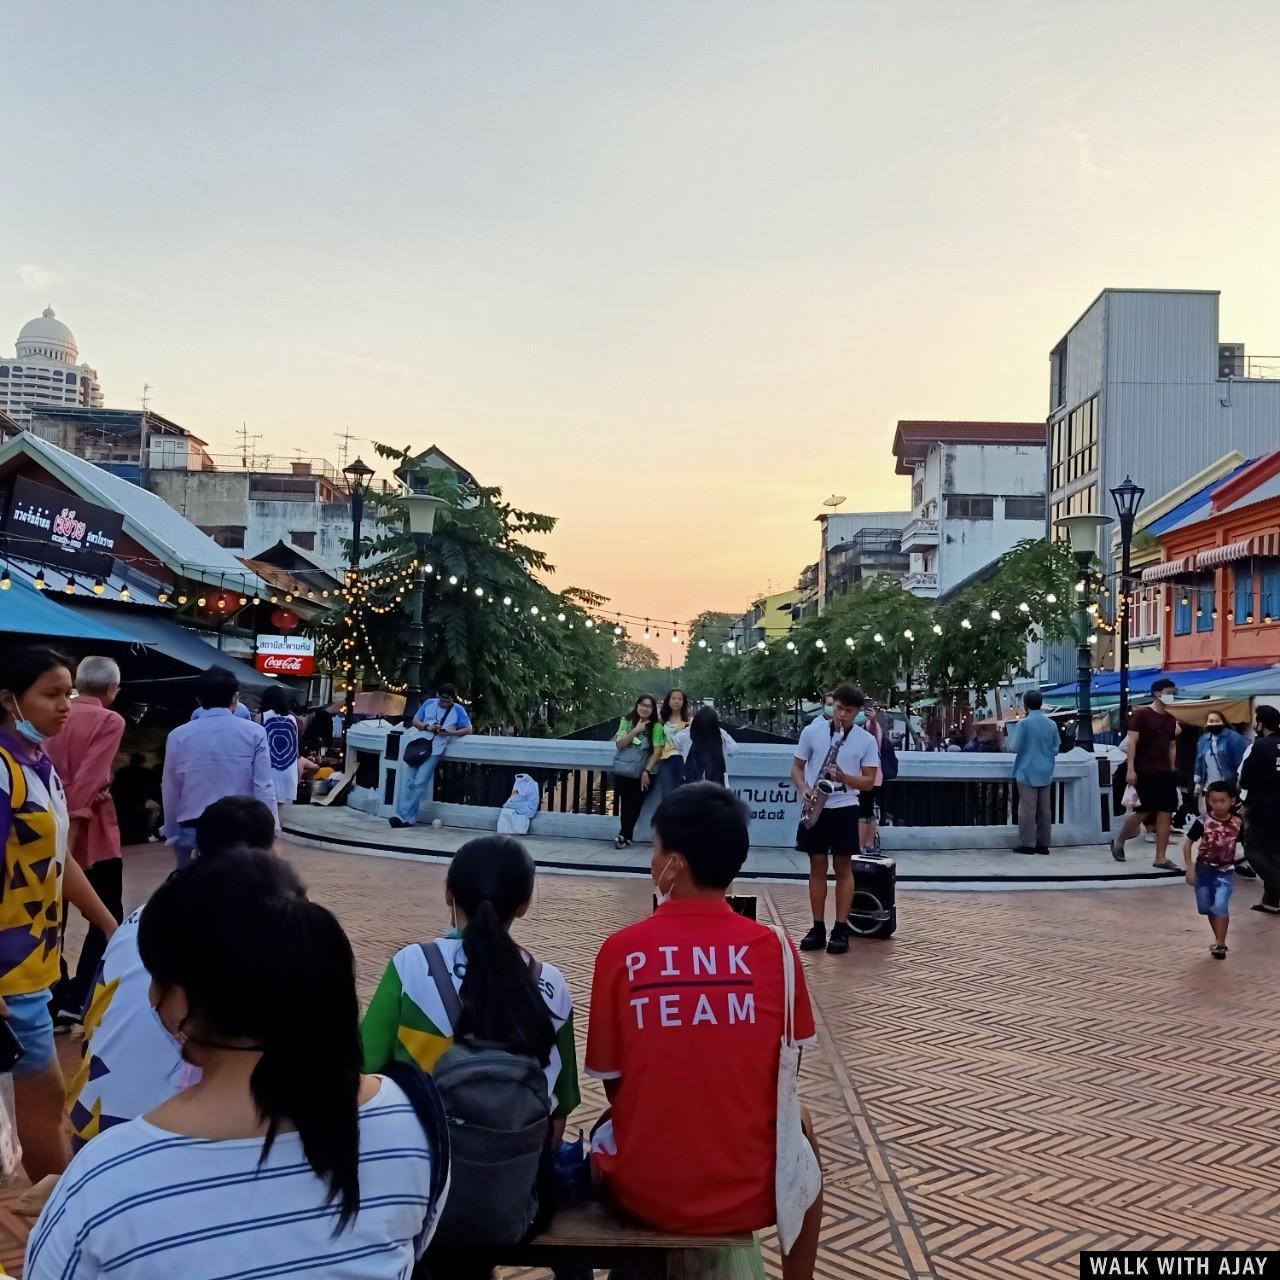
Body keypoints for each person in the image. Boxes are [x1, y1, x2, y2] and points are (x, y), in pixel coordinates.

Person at [27, 849, 443, 1279]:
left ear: (180, 1001)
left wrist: (74, 1201)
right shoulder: (414, 1119)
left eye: (155, 979)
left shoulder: (105, 1177)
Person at [585, 783, 822, 1280]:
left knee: (611, 1121)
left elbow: (614, 1081)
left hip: (644, 1192)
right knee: (800, 1125)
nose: (652, 864)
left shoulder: (621, 951)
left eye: (655, 851)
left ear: (675, 864)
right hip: (753, 1196)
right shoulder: (778, 951)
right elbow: (784, 1075)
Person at [66, 796, 278, 1149]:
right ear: (270, 859)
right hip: (166, 1136)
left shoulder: (140, 920)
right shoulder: (262, 935)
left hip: (92, 1121)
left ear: (197, 854)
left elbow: (93, 1020)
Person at [360, 835, 579, 1131]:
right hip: (515, 1170)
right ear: (524, 905)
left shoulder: (411, 964)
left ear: (449, 894)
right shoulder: (552, 985)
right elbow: (558, 1110)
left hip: (422, 1162)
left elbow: (363, 1067)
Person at [0, 647, 119, 1180]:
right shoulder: (4, 772)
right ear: (10, 701)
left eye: (68, 692)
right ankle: (59, 1212)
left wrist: (112, 928)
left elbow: (59, 859)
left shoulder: (40, 766)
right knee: (46, 1103)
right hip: (9, 972)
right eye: (51, 694)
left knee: (41, 1104)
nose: (65, 705)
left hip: (35, 966)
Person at [44, 656, 127, 1026]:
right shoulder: (110, 719)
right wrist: (73, 824)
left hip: (48, 819)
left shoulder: (49, 715)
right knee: (107, 913)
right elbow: (92, 775)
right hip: (88, 829)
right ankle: (80, 994)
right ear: (111, 689)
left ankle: (55, 990)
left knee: (52, 914)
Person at [791, 683, 879, 955]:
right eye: (838, 708)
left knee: (843, 866)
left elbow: (868, 781)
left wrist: (845, 778)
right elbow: (797, 767)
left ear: (857, 713)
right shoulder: (812, 731)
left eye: (848, 711)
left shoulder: (866, 740)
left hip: (844, 804)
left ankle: (840, 928)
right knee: (816, 864)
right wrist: (804, 788)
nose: (841, 715)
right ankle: (817, 926)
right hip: (816, 803)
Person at [161, 667, 278, 868]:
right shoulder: (255, 733)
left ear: (198, 699)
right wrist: (271, 829)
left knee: (192, 896)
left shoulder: (178, 736)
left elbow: (171, 788)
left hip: (192, 830)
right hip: (242, 832)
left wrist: (172, 832)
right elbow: (264, 785)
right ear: (235, 698)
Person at [1110, 677, 1182, 869]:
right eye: (1169, 692)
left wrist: (1172, 766)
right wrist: (1131, 769)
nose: (1172, 696)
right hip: (1145, 769)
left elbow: (1172, 745)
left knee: (1167, 812)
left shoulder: (1170, 718)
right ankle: (1121, 838)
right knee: (1144, 810)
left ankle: (1161, 856)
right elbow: (1131, 741)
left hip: (1165, 771)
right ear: (1158, 693)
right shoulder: (1142, 715)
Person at [391, 683, 473, 828]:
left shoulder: (458, 710)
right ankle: (406, 817)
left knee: (419, 782)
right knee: (409, 781)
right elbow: (416, 721)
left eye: (448, 701)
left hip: (436, 748)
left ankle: (403, 816)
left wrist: (450, 733)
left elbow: (468, 729)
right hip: (420, 744)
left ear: (453, 700)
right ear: (437, 696)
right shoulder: (429, 704)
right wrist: (428, 727)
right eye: (442, 700)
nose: (445, 703)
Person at [1179, 780, 1241, 959]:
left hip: (1226, 871)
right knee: (1207, 907)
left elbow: (1244, 843)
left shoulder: (1238, 823)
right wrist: (1189, 868)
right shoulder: (1203, 822)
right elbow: (1187, 844)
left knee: (1220, 904)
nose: (1218, 805)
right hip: (1204, 870)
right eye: (1213, 801)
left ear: (1232, 801)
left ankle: (1221, 944)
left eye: (1222, 801)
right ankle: (1218, 937)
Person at [1238, 703, 1280, 916]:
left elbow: (1245, 779)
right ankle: (1271, 900)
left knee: (1254, 851)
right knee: (1274, 852)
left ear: (1261, 723)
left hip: (1262, 807)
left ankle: (1275, 887)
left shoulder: (1261, 746)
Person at [1009, 690, 1061, 856]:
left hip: (1026, 771)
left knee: (1027, 809)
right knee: (1045, 810)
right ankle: (1043, 844)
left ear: (1025, 705)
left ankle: (1028, 844)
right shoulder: (1051, 724)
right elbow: (1056, 748)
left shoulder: (1023, 724)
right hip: (1046, 771)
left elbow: (1014, 747)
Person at [612, 694, 661, 849]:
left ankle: (623, 835)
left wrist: (646, 771)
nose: (645, 708)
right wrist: (636, 730)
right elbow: (620, 744)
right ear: (637, 705)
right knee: (625, 804)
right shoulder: (626, 722)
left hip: (646, 773)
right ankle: (626, 836)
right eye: (642, 705)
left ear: (653, 709)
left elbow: (657, 751)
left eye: (649, 706)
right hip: (625, 770)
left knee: (635, 804)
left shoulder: (656, 727)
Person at [259, 684, 304, 804]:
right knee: (279, 810)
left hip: (268, 768)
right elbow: (295, 748)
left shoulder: (260, 717)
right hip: (288, 768)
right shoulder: (292, 719)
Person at [674, 705, 736, 787]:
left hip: (691, 785)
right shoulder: (720, 734)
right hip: (718, 786)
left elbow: (676, 742)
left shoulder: (687, 734)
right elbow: (733, 750)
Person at [1193, 710, 1248, 801]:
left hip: (1229, 788)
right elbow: (1199, 763)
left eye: (1217, 721)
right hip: (1208, 788)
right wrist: (1197, 784)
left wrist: (1240, 783)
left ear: (1223, 722)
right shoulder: (1203, 740)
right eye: (1211, 721)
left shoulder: (1234, 738)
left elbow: (1241, 762)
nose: (1214, 724)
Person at [855, 700, 884, 855]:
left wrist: (872, 720)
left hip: (866, 777)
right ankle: (867, 844)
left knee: (863, 811)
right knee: (868, 811)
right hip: (869, 777)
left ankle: (863, 844)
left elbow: (872, 728)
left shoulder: (868, 729)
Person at [653, 689, 693, 799]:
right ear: (668, 701)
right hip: (666, 761)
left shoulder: (689, 723)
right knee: (668, 795)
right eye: (673, 698)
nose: (676, 701)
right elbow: (657, 747)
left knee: (685, 796)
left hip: (684, 761)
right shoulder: (661, 724)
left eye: (680, 699)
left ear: (683, 702)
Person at [111, 753, 155, 846]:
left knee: (125, 825)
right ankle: (140, 838)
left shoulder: (121, 772)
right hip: (139, 802)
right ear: (143, 761)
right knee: (139, 824)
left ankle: (126, 840)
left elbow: (114, 788)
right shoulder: (146, 772)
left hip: (122, 803)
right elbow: (152, 788)